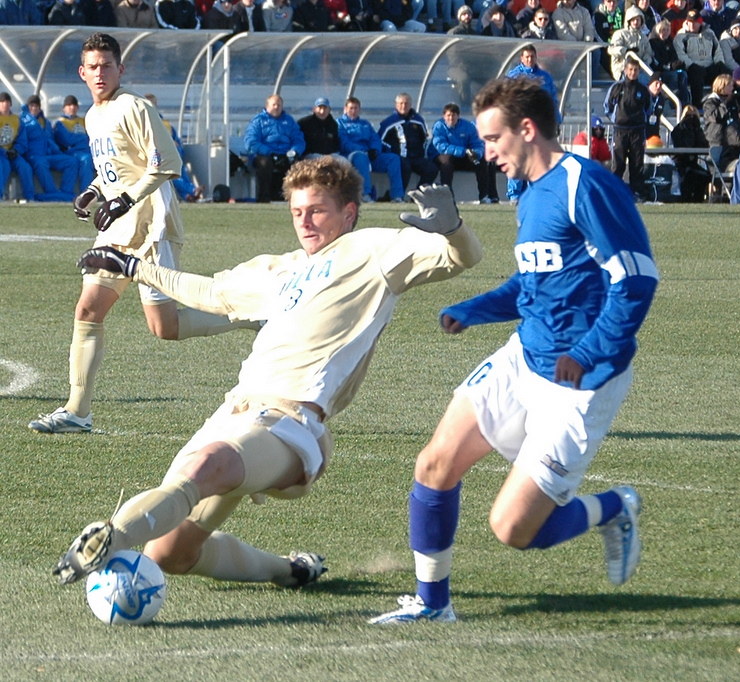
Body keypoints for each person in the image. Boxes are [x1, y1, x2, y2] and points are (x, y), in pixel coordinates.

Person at [53, 157, 483, 592]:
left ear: (348, 212)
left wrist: (453, 229)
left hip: (292, 424)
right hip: (233, 413)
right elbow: (212, 293)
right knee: (170, 553)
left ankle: (108, 539)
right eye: (297, 212)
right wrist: (133, 267)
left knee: (207, 464)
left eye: (317, 210)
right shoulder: (280, 268)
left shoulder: (373, 250)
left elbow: (461, 257)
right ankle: (289, 570)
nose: (305, 222)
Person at [369, 76, 659, 625]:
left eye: (492, 138)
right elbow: (534, 283)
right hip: (524, 357)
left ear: (527, 130)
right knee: (435, 463)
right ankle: (433, 605)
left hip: (581, 381)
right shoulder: (528, 192)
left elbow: (636, 280)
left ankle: (614, 507)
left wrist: (588, 352)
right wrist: (473, 309)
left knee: (513, 529)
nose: (486, 153)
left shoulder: (585, 185)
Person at [28, 34, 256, 435]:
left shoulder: (135, 107)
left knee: (163, 327)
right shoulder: (93, 116)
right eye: (93, 67)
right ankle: (77, 412)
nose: (100, 73)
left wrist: (124, 199)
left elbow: (168, 163)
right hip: (117, 228)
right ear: (82, 73)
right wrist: (94, 191)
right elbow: (116, 167)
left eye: (107, 65)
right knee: (87, 310)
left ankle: (250, 313)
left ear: (121, 69)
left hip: (153, 225)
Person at [504, 44, 559, 203]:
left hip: (539, 124)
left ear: (536, 57)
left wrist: (556, 120)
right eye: (526, 57)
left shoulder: (545, 77)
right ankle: (514, 194)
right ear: (521, 58)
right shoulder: (513, 76)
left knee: (538, 157)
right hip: (519, 124)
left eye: (532, 56)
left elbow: (552, 100)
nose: (529, 59)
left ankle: (536, 191)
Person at [337, 96, 404, 203]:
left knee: (393, 159)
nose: (353, 111)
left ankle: (397, 196)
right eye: (351, 108)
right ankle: (365, 194)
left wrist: (375, 150)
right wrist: (363, 151)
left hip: (369, 154)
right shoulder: (339, 123)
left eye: (356, 108)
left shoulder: (365, 124)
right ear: (345, 109)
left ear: (359, 109)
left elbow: (375, 139)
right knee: (361, 157)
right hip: (352, 155)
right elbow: (344, 142)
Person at [431, 102, 499, 204]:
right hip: (444, 156)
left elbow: (477, 143)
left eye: (453, 115)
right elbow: (441, 146)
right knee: (446, 162)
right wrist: (464, 151)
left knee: (482, 161)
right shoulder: (439, 126)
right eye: (448, 115)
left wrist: (476, 153)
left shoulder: (468, 126)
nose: (451, 118)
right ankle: (448, 196)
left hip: (463, 157)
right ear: (444, 116)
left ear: (458, 116)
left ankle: (484, 196)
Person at [244, 94, 305, 203]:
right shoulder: (258, 121)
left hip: (285, 154)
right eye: (274, 105)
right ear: (267, 106)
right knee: (264, 163)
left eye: (279, 105)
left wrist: (294, 152)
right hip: (265, 155)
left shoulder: (289, 121)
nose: (276, 107)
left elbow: (299, 140)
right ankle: (264, 198)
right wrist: (269, 153)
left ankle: (295, 198)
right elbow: (251, 142)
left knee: (299, 165)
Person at [605, 58, 651, 200]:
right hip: (620, 131)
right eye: (630, 69)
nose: (633, 72)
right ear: (625, 70)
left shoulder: (643, 90)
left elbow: (648, 109)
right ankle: (615, 194)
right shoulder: (617, 88)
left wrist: (640, 120)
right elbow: (607, 106)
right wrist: (617, 119)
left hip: (637, 131)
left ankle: (636, 193)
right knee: (618, 164)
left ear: (639, 71)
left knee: (636, 164)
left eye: (635, 70)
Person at [18, 94, 78, 202]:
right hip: (33, 156)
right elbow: (21, 141)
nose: (34, 108)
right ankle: (52, 193)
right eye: (31, 106)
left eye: (36, 106)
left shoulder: (46, 122)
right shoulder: (22, 121)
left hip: (49, 154)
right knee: (41, 163)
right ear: (27, 106)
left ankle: (66, 192)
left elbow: (50, 140)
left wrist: (58, 151)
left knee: (71, 161)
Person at [378, 92, 438, 199]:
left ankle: (418, 196)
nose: (403, 106)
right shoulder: (388, 122)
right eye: (401, 103)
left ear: (411, 105)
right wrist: (392, 151)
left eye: (406, 103)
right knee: (405, 167)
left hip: (416, 157)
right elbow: (380, 140)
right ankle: (395, 196)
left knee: (431, 168)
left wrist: (420, 151)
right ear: (396, 105)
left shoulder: (418, 120)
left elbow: (424, 138)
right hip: (399, 157)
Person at [145, 94, 203, 203]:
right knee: (172, 174)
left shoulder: (163, 122)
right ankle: (192, 191)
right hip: (160, 155)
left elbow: (175, 137)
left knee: (181, 173)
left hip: (174, 153)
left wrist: (178, 146)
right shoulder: (145, 122)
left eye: (154, 104)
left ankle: (188, 195)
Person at [673, 9, 731, 106]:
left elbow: (717, 50)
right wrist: (691, 65)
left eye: (695, 22)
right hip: (693, 67)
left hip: (709, 65)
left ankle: (727, 102)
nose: (692, 25)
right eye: (690, 22)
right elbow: (680, 54)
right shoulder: (681, 36)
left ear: (700, 22)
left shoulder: (709, 33)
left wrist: (719, 62)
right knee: (696, 74)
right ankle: (698, 104)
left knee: (725, 72)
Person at [53, 94, 96, 194]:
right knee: (86, 159)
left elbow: (92, 136)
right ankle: (86, 192)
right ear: (64, 108)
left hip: (87, 150)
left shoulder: (83, 121)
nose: (72, 107)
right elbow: (67, 140)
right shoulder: (60, 123)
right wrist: (83, 138)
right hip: (71, 152)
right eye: (69, 105)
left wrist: (78, 138)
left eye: (74, 105)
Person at [670, 103, 712, 202]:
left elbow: (704, 145)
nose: (691, 118)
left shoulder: (697, 129)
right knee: (690, 175)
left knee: (705, 176)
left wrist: (696, 130)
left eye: (694, 116)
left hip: (693, 163)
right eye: (688, 116)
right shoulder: (678, 129)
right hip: (681, 164)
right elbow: (683, 146)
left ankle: (698, 200)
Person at [0, 92, 34, 201]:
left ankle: (29, 198)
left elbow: (22, 141)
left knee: (25, 167)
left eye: (7, 101)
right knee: (3, 166)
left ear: (10, 104)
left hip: (12, 153)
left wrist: (16, 150)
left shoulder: (17, 120)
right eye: (2, 102)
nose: (5, 104)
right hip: (1, 154)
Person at [609, 6, 654, 81]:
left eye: (637, 20)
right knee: (641, 79)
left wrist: (644, 62)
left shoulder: (644, 37)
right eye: (633, 20)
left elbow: (649, 53)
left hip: (640, 69)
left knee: (653, 80)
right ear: (628, 21)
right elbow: (611, 49)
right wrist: (627, 50)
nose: (635, 22)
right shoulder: (620, 34)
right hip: (622, 68)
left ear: (641, 21)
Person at [298, 96, 344, 162]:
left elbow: (335, 143)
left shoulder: (333, 124)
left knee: (344, 162)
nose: (322, 111)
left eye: (325, 108)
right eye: (319, 108)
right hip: (310, 155)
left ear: (329, 110)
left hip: (330, 155)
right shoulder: (304, 123)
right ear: (314, 109)